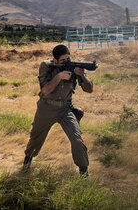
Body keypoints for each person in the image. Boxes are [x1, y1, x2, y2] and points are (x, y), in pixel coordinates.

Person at [22, 44, 94, 176]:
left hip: (65, 109)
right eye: (63, 60)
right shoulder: (46, 66)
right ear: (55, 60)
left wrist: (82, 76)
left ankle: (84, 173)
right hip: (46, 108)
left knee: (77, 140)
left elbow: (89, 90)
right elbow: (45, 90)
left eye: (68, 59)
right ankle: (26, 164)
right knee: (36, 139)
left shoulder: (74, 67)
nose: (67, 62)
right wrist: (59, 77)